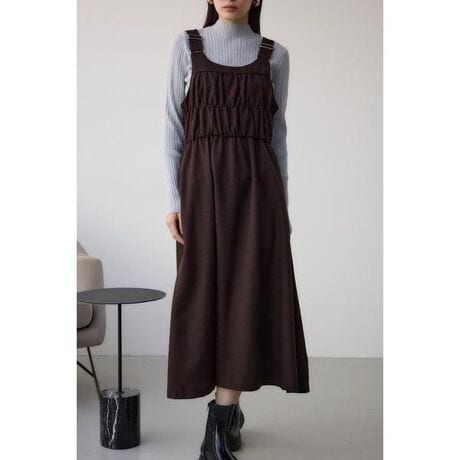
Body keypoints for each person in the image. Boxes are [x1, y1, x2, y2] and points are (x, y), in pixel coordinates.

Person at [163, 1, 310, 458]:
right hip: (200, 191)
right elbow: (172, 128)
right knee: (203, 295)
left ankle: (220, 420)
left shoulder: (276, 55)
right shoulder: (186, 46)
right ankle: (228, 415)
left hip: (258, 193)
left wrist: (283, 209)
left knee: (246, 298)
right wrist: (174, 201)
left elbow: (278, 136)